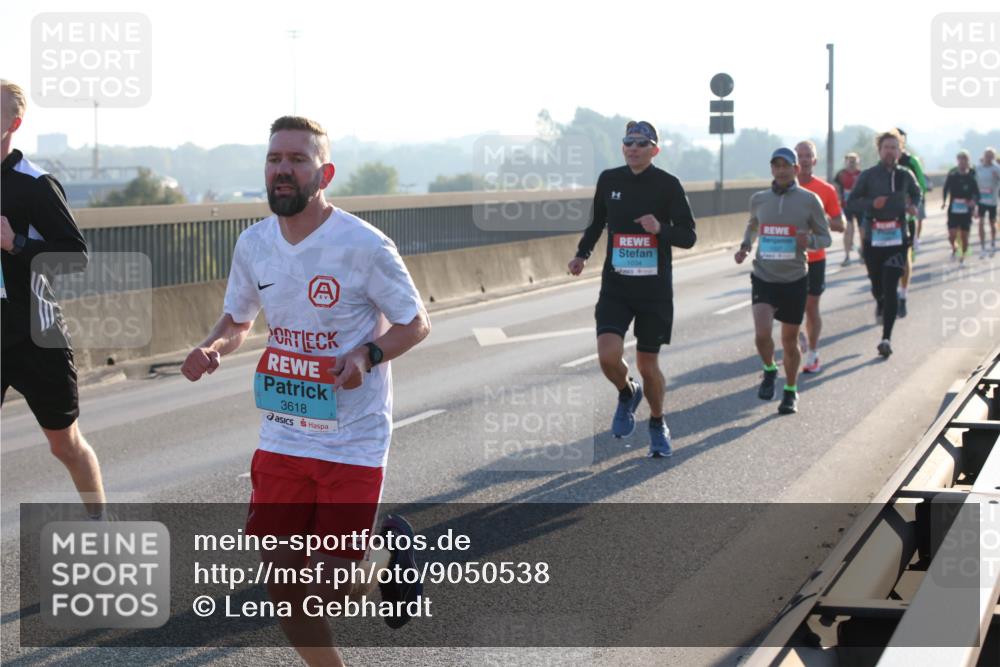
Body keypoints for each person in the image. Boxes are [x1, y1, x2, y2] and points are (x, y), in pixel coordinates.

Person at [182, 116, 431, 667]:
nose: (283, 170)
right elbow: (238, 318)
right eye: (275, 159)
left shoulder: (364, 246)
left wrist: (366, 356)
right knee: (282, 583)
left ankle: (385, 554)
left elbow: (415, 323)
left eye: (297, 159)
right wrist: (213, 347)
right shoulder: (254, 244)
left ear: (325, 173)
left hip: (353, 438)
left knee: (332, 589)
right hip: (284, 432)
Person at [0, 80, 107, 520]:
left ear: (13, 124)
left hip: (36, 335)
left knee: (64, 444)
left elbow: (75, 257)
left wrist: (16, 243)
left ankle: (100, 522)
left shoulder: (35, 184)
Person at [568, 120, 696, 457]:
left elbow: (689, 236)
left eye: (641, 143)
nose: (634, 148)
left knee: (648, 366)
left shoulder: (668, 185)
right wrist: (582, 255)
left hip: (654, 291)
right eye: (629, 142)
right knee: (607, 356)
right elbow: (597, 222)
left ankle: (657, 422)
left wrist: (660, 228)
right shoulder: (609, 179)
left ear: (655, 150)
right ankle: (627, 392)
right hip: (617, 287)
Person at [734, 148, 830, 414]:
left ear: (796, 169)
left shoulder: (809, 200)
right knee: (762, 333)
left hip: (794, 278)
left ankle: (790, 390)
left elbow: (825, 237)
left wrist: (809, 241)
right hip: (763, 275)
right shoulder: (759, 199)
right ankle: (769, 369)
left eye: (786, 166)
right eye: (776, 166)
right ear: (771, 169)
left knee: (789, 340)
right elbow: (753, 224)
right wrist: (745, 246)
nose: (781, 170)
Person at [846, 129, 922, 358]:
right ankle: (879, 299)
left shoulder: (905, 175)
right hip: (873, 238)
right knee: (877, 285)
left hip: (898, 238)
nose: (890, 151)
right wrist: (872, 203)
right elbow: (852, 202)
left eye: (894, 147)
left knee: (891, 288)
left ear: (900, 151)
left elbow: (917, 193)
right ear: (879, 150)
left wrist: (913, 206)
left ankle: (886, 339)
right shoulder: (868, 175)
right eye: (886, 147)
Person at [794, 141, 845, 374]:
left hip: (815, 258)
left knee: (811, 306)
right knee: (785, 307)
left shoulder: (826, 190)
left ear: (814, 160)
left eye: (808, 156)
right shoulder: (782, 189)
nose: (804, 160)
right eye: (800, 156)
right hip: (788, 258)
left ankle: (813, 354)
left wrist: (822, 221)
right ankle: (798, 333)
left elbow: (840, 224)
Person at [895, 128, 929, 318]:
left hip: (906, 218)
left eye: (896, 143)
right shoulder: (879, 166)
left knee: (905, 257)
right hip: (885, 220)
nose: (891, 150)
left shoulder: (911, 162)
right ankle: (887, 292)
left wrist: (910, 202)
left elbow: (921, 185)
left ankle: (903, 295)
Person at [942, 150, 980, 265]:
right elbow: (945, 189)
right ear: (958, 161)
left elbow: (977, 194)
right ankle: (954, 248)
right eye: (960, 160)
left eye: (965, 160)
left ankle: (962, 256)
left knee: (964, 237)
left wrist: (973, 202)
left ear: (968, 162)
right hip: (953, 209)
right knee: (952, 234)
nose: (962, 162)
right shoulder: (952, 175)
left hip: (966, 210)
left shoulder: (971, 177)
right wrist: (944, 201)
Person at [834, 153, 862, 266]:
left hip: (860, 207)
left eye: (854, 161)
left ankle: (862, 253)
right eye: (850, 161)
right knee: (848, 230)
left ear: (858, 162)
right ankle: (847, 256)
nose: (852, 163)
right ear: (846, 162)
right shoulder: (841, 174)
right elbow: (835, 188)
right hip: (846, 206)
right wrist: (838, 200)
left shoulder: (861, 174)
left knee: (862, 230)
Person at [974, 147, 1000, 257]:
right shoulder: (978, 168)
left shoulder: (997, 168)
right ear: (984, 156)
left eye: (991, 156)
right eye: (987, 156)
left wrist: (997, 177)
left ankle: (993, 241)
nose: (989, 158)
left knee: (992, 222)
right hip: (981, 199)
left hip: (992, 200)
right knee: (981, 222)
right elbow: (973, 182)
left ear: (993, 157)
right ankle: (983, 245)